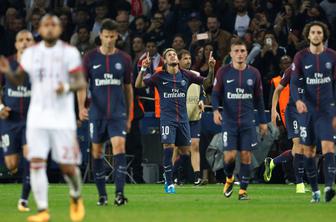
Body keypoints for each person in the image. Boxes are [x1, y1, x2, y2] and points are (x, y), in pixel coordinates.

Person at [0, 15, 86, 222]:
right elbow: (19, 78)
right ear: (39, 28)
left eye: (53, 25)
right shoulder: (31, 54)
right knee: (36, 162)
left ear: (59, 29)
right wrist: (6, 72)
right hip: (37, 117)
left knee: (68, 168)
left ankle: (76, 195)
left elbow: (80, 81)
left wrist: (65, 87)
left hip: (62, 118)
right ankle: (42, 210)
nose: (49, 29)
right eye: (45, 25)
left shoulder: (70, 52)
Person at [135, 48, 213, 193]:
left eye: (174, 54)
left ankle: (170, 174)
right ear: (165, 60)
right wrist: (143, 69)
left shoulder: (186, 75)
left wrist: (212, 68)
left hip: (184, 120)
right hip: (167, 119)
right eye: (169, 54)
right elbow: (138, 85)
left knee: (185, 152)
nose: (172, 56)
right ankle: (169, 182)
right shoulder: (159, 77)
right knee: (168, 147)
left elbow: (207, 82)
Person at [78, 19, 133, 206]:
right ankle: (102, 195)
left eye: (112, 36)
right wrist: (81, 107)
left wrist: (130, 114)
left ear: (117, 36)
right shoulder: (90, 58)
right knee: (97, 152)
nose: (109, 40)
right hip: (96, 113)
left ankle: (119, 194)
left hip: (117, 113)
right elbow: (82, 85)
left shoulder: (124, 59)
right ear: (100, 35)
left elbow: (128, 88)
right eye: (106, 36)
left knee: (119, 148)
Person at [212, 39, 267, 200]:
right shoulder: (223, 72)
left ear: (246, 53)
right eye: (236, 51)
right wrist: (215, 111)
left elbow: (259, 100)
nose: (240, 54)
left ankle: (243, 191)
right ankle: (229, 178)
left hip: (247, 122)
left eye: (242, 51)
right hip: (229, 122)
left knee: (246, 156)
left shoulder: (254, 73)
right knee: (229, 157)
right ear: (231, 53)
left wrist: (263, 121)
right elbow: (215, 95)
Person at [290, 21, 336, 203]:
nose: (316, 35)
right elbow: (294, 82)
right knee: (309, 151)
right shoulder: (301, 57)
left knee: (329, 147)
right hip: (307, 111)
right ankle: (315, 191)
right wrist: (298, 100)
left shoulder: (332, 56)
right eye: (313, 32)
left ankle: (329, 188)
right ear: (308, 36)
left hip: (326, 110)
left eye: (319, 32)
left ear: (323, 35)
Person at [0, 30, 34, 212]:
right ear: (15, 44)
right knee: (11, 165)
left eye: (28, 40)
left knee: (31, 156)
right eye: (21, 40)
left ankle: (23, 199)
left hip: (31, 120)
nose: (24, 43)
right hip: (10, 120)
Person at [172, 49, 215, 185]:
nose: (188, 61)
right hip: (178, 118)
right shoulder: (173, 76)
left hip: (194, 116)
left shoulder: (196, 75)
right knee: (177, 148)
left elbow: (204, 88)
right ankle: (173, 176)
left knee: (195, 146)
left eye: (189, 58)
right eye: (185, 58)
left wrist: (202, 100)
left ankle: (197, 177)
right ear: (178, 61)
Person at [264, 64, 306, 193]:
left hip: (307, 113)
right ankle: (299, 184)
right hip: (292, 111)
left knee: (300, 150)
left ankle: (272, 162)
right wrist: (273, 111)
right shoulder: (291, 70)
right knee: (298, 144)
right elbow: (277, 90)